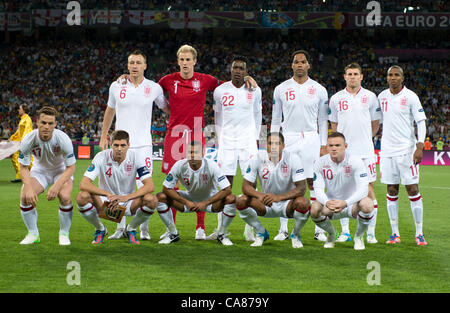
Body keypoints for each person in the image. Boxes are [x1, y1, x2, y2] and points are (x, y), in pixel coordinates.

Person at [156, 44, 256, 240]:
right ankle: (172, 228)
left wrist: (246, 78)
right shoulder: (167, 81)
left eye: (188, 59)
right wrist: (126, 78)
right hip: (175, 133)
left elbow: (230, 86)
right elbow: (149, 90)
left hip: (195, 131)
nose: (185, 63)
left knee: (200, 180)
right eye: (182, 59)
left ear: (194, 61)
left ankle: (200, 227)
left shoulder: (206, 80)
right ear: (178, 61)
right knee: (173, 181)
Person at [99, 50, 168, 241]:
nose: (134, 66)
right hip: (121, 146)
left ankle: (141, 229)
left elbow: (166, 108)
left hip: (144, 146)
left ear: (145, 66)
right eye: (131, 62)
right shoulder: (116, 85)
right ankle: (120, 228)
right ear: (127, 65)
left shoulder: (154, 88)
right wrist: (104, 136)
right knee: (118, 188)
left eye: (138, 62)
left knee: (144, 188)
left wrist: (181, 124)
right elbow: (110, 111)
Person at [270, 50, 329, 241]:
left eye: (303, 62)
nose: (300, 65)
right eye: (296, 62)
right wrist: (273, 142)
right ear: (292, 65)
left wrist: (323, 145)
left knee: (313, 182)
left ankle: (319, 228)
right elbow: (275, 118)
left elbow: (322, 120)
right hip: (288, 138)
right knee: (286, 181)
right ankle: (283, 229)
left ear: (308, 65)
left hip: (311, 138)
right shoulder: (281, 88)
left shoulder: (319, 89)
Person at [207, 55, 262, 242]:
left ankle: (250, 229)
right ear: (230, 70)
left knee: (250, 185)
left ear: (246, 71)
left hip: (247, 142)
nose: (238, 70)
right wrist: (220, 140)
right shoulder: (220, 91)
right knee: (224, 186)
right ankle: (221, 229)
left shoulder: (255, 90)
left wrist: (255, 141)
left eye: (241, 68)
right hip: (228, 142)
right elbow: (218, 118)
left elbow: (258, 115)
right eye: (235, 68)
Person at [76, 130, 164, 245]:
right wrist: (107, 194)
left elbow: (150, 185)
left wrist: (126, 197)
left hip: (128, 203)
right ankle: (100, 229)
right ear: (110, 144)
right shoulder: (101, 156)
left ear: (128, 145)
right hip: (106, 203)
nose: (119, 149)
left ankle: (131, 229)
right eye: (116, 145)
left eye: (123, 145)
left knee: (151, 200)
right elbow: (84, 184)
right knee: (82, 197)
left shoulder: (135, 157)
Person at [328, 62, 381, 244]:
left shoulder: (371, 97)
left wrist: (366, 138)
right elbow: (334, 126)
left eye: (355, 74)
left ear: (361, 76)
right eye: (349, 74)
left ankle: (371, 232)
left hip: (366, 152)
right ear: (345, 77)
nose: (352, 76)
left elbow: (375, 123)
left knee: (369, 190)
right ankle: (345, 232)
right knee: (342, 190)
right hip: (345, 154)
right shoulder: (336, 98)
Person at [378, 65, 428, 246]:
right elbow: (378, 122)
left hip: (407, 151)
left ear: (402, 78)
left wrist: (419, 146)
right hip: (387, 151)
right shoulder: (381, 97)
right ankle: (394, 234)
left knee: (413, 190)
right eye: (390, 75)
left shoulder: (411, 97)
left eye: (396, 75)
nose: (393, 78)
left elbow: (421, 122)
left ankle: (419, 233)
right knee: (391, 190)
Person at [236, 132, 310, 248]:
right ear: (266, 145)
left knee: (304, 202)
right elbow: (245, 186)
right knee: (241, 200)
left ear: (283, 146)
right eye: (271, 143)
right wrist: (260, 196)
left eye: (277, 143)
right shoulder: (258, 158)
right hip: (265, 203)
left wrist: (279, 197)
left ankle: (295, 234)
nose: (274, 146)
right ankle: (261, 232)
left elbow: (301, 188)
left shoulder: (293, 158)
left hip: (287, 204)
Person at [156, 140, 237, 246]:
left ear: (202, 153)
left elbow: (227, 189)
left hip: (210, 201)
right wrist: (186, 202)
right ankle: (173, 233)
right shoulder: (180, 165)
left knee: (231, 198)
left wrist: (205, 203)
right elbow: (166, 188)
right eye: (190, 152)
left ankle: (222, 234)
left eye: (196, 152)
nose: (193, 155)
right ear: (186, 154)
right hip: (189, 199)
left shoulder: (211, 165)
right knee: (160, 197)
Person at [17, 106, 76, 245]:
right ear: (37, 122)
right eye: (43, 122)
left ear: (55, 124)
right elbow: (23, 167)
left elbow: (71, 167)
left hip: (61, 170)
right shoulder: (28, 139)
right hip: (40, 171)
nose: (46, 126)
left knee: (65, 196)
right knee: (25, 196)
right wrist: (29, 187)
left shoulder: (63, 138)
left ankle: (64, 234)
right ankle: (33, 234)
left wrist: (57, 186)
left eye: (50, 123)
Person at [310, 132, 375, 250]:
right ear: (326, 147)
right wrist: (327, 202)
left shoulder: (355, 161)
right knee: (314, 208)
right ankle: (331, 234)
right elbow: (318, 189)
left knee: (367, 204)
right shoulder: (320, 163)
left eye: (337, 145)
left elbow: (363, 189)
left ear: (345, 146)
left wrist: (346, 202)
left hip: (352, 205)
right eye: (331, 145)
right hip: (331, 205)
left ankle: (358, 237)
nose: (334, 148)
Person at [9, 104, 34, 183]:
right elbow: (18, 132)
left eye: (20, 109)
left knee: (28, 159)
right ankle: (20, 176)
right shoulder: (22, 119)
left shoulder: (27, 119)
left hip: (24, 143)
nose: (18, 110)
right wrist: (12, 138)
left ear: (24, 110)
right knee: (15, 157)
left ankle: (35, 174)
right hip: (20, 142)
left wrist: (24, 141)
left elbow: (27, 130)